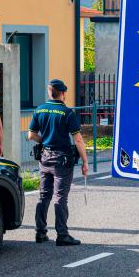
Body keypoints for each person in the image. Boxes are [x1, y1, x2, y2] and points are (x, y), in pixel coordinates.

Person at [27, 79, 89, 246]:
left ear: (50, 92)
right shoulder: (67, 113)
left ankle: (40, 232)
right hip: (62, 160)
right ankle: (62, 235)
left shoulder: (39, 109)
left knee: (43, 195)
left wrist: (44, 141)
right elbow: (78, 140)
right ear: (63, 93)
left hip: (44, 157)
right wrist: (85, 161)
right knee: (60, 197)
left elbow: (31, 135)